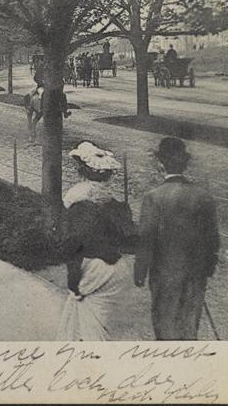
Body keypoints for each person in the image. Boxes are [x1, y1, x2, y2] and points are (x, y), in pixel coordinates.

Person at [135, 137, 219, 340]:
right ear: (185, 164)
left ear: (160, 163)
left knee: (165, 330)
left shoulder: (153, 197)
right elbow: (213, 239)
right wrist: (207, 268)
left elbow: (146, 239)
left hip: (164, 275)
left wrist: (140, 270)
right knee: (189, 330)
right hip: (195, 275)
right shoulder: (204, 196)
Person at [57, 141, 137, 341]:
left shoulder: (77, 199)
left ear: (81, 171)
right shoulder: (113, 202)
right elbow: (130, 240)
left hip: (93, 270)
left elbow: (73, 245)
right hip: (119, 270)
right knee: (97, 324)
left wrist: (73, 282)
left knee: (86, 327)